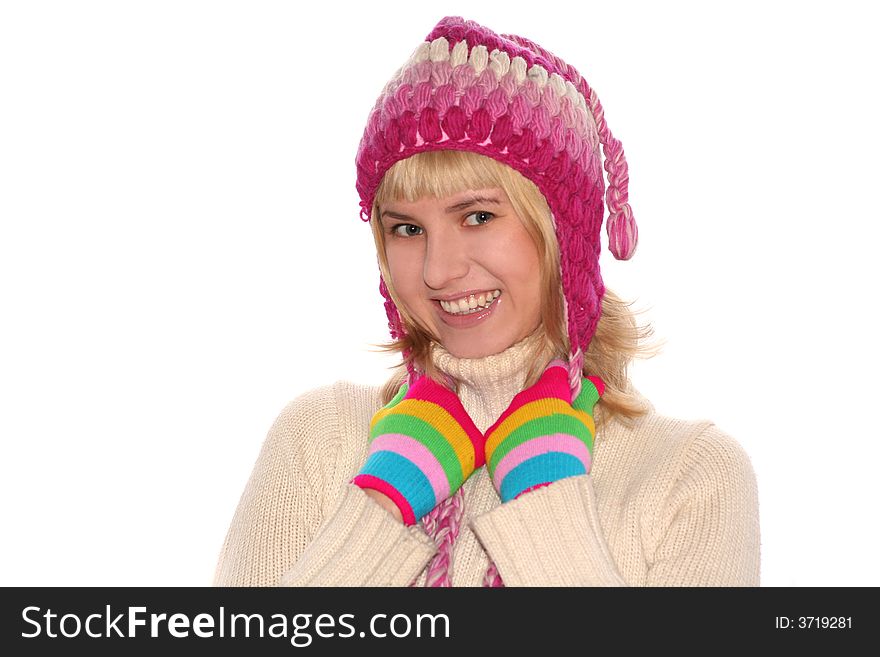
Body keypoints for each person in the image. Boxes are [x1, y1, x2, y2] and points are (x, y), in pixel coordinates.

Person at [212, 15, 760, 587]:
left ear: (563, 234)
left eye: (478, 216)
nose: (438, 270)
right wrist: (377, 508)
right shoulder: (321, 437)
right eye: (405, 229)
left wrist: (548, 511)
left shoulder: (689, 475)